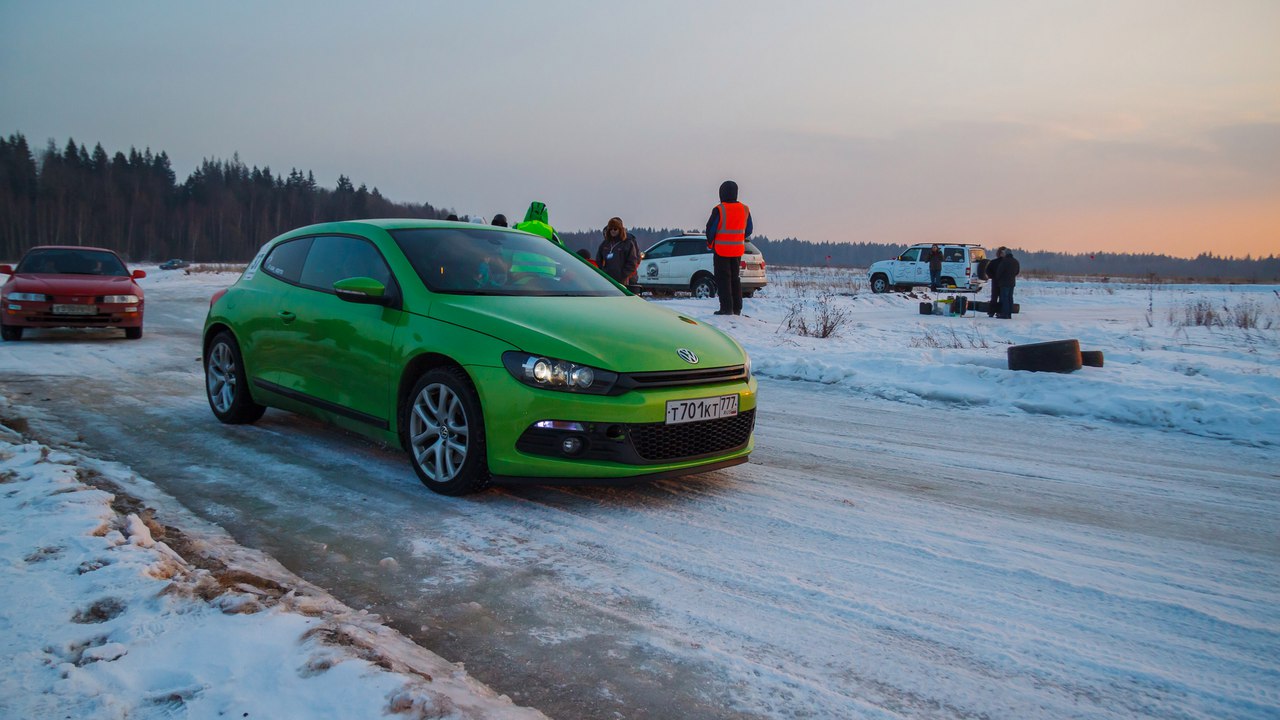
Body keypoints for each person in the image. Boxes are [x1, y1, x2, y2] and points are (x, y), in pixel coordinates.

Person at [705, 180, 753, 315]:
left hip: (721, 250)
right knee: (735, 278)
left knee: (723, 279)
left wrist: (711, 244)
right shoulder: (745, 209)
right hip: (737, 250)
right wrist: (738, 238)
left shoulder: (719, 209)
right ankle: (737, 308)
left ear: (721, 193)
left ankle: (726, 308)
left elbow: (710, 229)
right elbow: (749, 229)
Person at [595, 217, 640, 286]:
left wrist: (623, 274)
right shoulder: (605, 243)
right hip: (607, 278)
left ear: (620, 230)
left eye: (615, 229)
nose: (613, 231)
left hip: (622, 280)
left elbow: (633, 261)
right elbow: (598, 259)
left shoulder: (628, 243)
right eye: (610, 229)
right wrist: (604, 271)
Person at [993, 246, 1020, 319]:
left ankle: (1004, 314)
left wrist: (998, 279)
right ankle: (1009, 314)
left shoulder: (1004, 261)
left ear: (1006, 254)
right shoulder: (1016, 261)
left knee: (1004, 298)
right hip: (1012, 282)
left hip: (1004, 283)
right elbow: (1017, 272)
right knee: (1010, 298)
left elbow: (999, 272)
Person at [985, 247, 1005, 317]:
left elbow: (987, 270)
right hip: (1002, 282)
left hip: (995, 281)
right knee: (1001, 298)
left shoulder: (993, 262)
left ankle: (991, 312)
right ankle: (998, 311)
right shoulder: (1006, 262)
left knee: (994, 297)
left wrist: (992, 276)